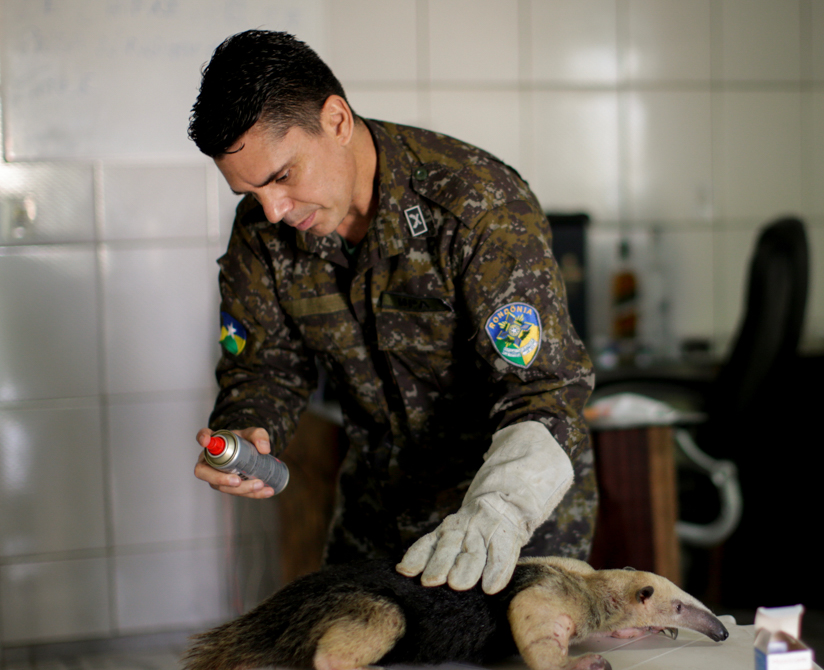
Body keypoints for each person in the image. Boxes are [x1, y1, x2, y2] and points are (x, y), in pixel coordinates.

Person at [189, 30, 596, 594]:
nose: (274, 211)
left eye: (282, 177)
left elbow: (544, 393)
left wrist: (497, 514)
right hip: (379, 514)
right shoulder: (263, 233)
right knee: (338, 662)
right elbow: (264, 368)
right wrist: (247, 430)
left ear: (336, 120)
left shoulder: (476, 206)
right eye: (251, 192)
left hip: (511, 520)